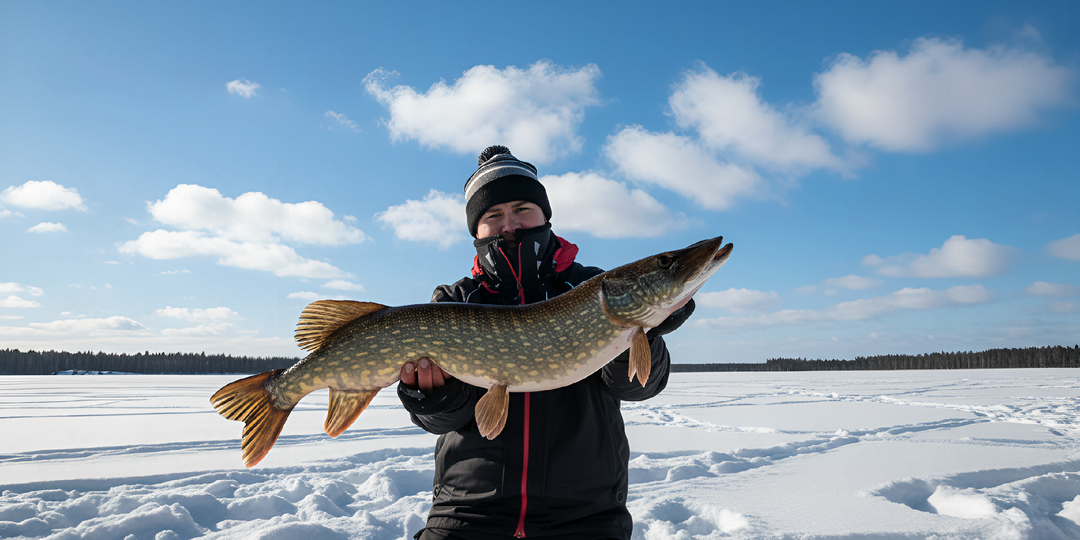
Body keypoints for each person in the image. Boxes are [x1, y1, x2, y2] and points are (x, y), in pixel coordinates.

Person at [398, 145, 695, 540]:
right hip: (467, 514)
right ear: (477, 230)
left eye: (522, 208)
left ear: (544, 215)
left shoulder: (593, 288)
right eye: (493, 215)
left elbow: (638, 387)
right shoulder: (456, 301)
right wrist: (431, 398)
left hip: (586, 516)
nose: (510, 224)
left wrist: (643, 332)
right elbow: (442, 422)